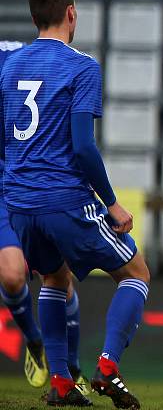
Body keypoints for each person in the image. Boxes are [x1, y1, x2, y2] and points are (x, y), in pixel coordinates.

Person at [0, 0, 150, 407]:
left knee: (53, 277)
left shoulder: (9, 67)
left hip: (21, 203)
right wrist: (111, 202)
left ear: (33, 18)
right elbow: (83, 145)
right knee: (136, 273)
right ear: (71, 14)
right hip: (64, 198)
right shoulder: (82, 67)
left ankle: (62, 382)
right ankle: (107, 365)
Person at [0, 39, 89, 394]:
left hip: (39, 184)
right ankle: (35, 342)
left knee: (59, 277)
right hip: (4, 189)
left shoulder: (24, 59)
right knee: (10, 275)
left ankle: (72, 366)